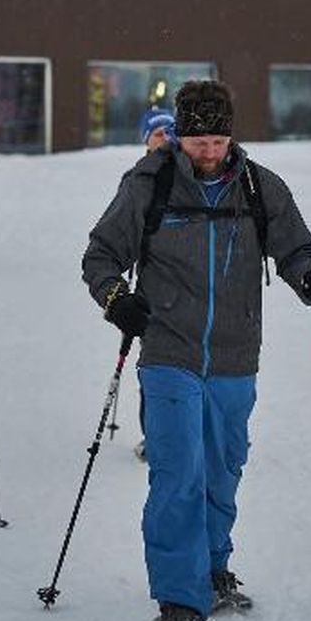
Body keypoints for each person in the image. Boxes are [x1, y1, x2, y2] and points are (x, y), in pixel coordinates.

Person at [83, 80, 311, 621]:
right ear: (180, 134)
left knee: (223, 470)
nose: (208, 151)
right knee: (179, 474)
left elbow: (297, 248)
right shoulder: (148, 183)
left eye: (218, 138)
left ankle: (213, 567)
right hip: (168, 353)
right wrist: (116, 299)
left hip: (233, 356)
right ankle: (179, 606)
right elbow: (101, 256)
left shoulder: (257, 186)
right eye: (198, 139)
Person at [132, 106, 177, 463]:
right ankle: (153, 435)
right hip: (152, 283)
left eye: (169, 131)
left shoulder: (185, 172)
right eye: (157, 132)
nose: (165, 137)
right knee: (154, 362)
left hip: (187, 279)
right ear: (146, 138)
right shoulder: (137, 178)